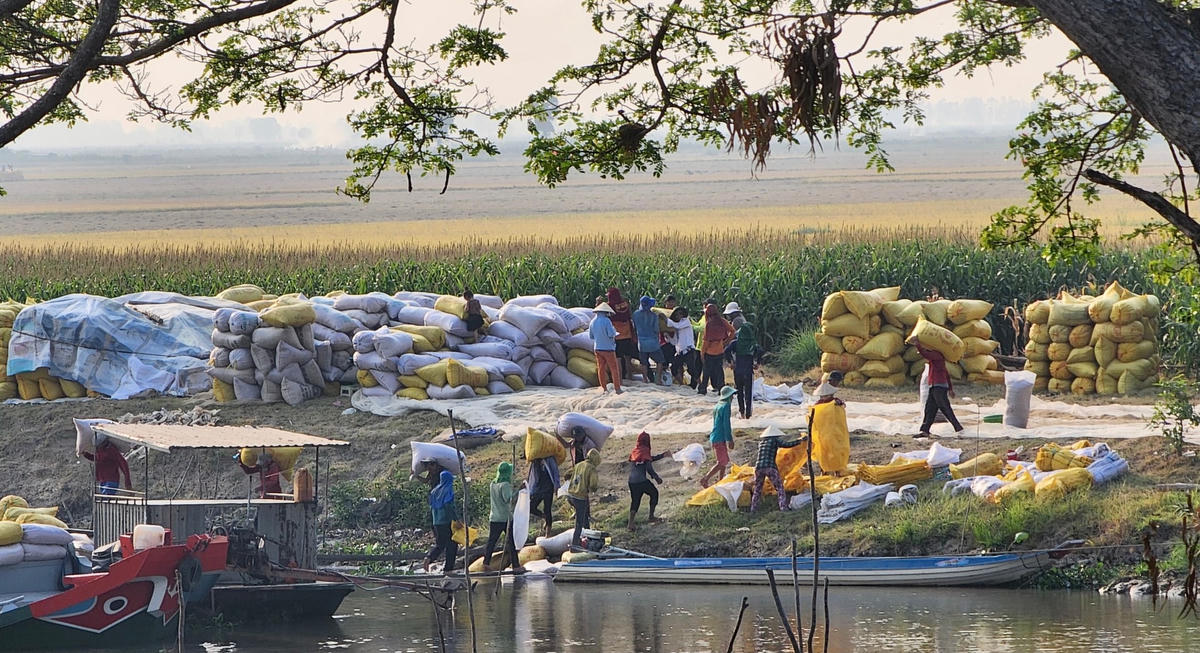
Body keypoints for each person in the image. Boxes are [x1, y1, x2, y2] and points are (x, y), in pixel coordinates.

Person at [907, 336, 965, 438]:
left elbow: (925, 354)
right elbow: (946, 373)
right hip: (935, 386)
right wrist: (950, 388)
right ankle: (925, 430)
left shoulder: (936, 355)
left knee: (944, 407)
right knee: (930, 408)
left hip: (939, 386)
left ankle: (958, 428)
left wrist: (917, 344)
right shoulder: (937, 358)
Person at [750, 426, 808, 512]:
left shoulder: (761, 443)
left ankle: (753, 509)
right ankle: (783, 507)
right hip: (770, 467)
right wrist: (800, 441)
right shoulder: (775, 440)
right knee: (780, 488)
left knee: (758, 489)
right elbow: (787, 445)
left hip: (758, 468)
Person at [483, 462, 522, 572]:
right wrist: (518, 490)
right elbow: (508, 499)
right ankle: (516, 566)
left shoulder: (493, 484)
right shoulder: (505, 485)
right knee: (511, 542)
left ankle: (486, 562)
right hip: (505, 518)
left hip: (494, 517)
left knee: (491, 541)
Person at [627, 431, 668, 530]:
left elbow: (647, 460)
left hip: (632, 481)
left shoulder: (635, 451)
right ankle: (651, 517)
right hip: (641, 481)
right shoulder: (645, 450)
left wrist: (662, 456)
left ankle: (630, 524)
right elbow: (649, 467)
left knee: (635, 501)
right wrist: (656, 477)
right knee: (654, 493)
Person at [726, 316, 764, 419]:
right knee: (748, 393)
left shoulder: (735, 343)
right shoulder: (753, 344)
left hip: (737, 370)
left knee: (739, 392)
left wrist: (731, 362)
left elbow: (726, 350)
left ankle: (741, 413)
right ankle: (748, 415)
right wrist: (757, 362)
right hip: (748, 371)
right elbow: (760, 351)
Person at [699, 385, 737, 487]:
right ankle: (705, 479)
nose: (733, 398)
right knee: (722, 462)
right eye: (732, 396)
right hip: (720, 437)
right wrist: (730, 439)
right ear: (728, 396)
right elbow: (726, 424)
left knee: (724, 461)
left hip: (715, 436)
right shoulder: (726, 407)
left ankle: (720, 480)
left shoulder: (717, 405)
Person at [423, 470, 459, 573]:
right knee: (452, 545)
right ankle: (448, 569)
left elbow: (432, 507)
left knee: (440, 544)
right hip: (446, 521)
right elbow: (448, 507)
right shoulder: (448, 490)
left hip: (436, 522)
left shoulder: (434, 491)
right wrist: (456, 520)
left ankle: (429, 557)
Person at [566, 448, 600, 549]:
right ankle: (575, 545)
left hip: (570, 495)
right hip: (580, 497)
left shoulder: (579, 464)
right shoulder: (591, 468)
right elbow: (593, 484)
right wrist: (592, 489)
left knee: (585, 518)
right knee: (579, 523)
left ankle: (587, 539)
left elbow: (567, 474)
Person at [698, 303, 735, 395]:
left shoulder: (709, 324)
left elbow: (706, 341)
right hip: (720, 350)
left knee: (706, 371)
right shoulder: (722, 321)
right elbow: (733, 331)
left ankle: (703, 389)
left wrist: (702, 353)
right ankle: (721, 389)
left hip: (709, 352)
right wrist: (726, 341)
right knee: (719, 371)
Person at [589, 302, 623, 394]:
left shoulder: (592, 322)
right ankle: (617, 388)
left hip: (597, 348)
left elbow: (591, 336)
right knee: (613, 368)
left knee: (601, 368)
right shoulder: (607, 321)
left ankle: (603, 388)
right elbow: (611, 334)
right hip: (608, 348)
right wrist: (614, 331)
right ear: (606, 312)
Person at [632, 295, 666, 384]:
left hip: (641, 343)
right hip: (653, 342)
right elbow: (656, 330)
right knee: (660, 361)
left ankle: (645, 379)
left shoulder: (635, 314)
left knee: (644, 362)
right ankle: (658, 379)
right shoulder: (654, 316)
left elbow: (634, 327)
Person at [526, 455, 560, 538]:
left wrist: (556, 485)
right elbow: (531, 477)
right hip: (538, 488)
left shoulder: (550, 459)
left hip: (548, 487)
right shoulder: (534, 462)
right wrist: (530, 490)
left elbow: (555, 471)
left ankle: (548, 533)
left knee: (547, 509)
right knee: (531, 507)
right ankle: (544, 517)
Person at [607, 287, 637, 380]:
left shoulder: (610, 305)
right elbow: (628, 316)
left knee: (618, 358)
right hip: (627, 334)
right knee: (628, 358)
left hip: (617, 336)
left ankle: (620, 379)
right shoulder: (625, 304)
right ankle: (630, 376)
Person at [667, 306, 699, 387]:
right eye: (677, 315)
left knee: (691, 370)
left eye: (680, 314)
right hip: (680, 352)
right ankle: (682, 384)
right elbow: (674, 342)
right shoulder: (676, 326)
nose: (679, 316)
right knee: (673, 368)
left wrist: (665, 319)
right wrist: (667, 335)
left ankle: (701, 384)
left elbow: (677, 326)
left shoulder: (686, 321)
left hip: (689, 350)